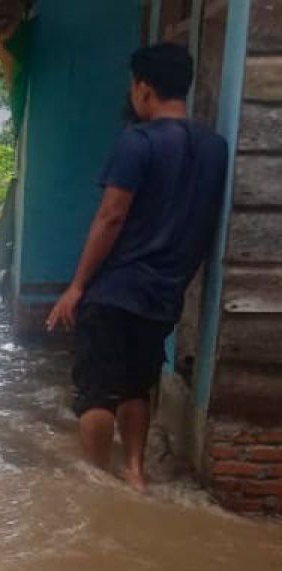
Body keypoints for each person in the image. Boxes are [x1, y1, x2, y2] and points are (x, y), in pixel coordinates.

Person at [46, 43, 228, 491]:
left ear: (143, 89)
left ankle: (95, 484)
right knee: (136, 386)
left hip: (116, 290)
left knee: (96, 392)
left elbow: (111, 216)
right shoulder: (216, 148)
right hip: (164, 295)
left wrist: (76, 286)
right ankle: (135, 474)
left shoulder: (137, 142)